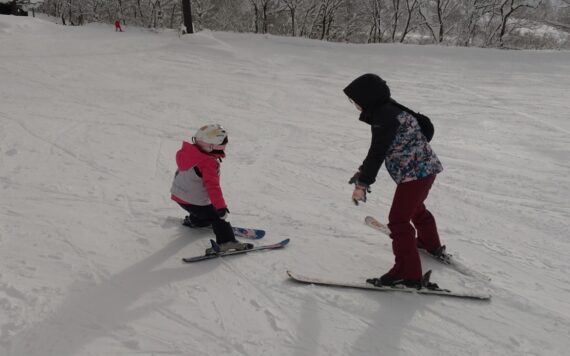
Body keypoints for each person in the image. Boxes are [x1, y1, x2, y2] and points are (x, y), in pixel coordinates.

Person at [343, 73, 445, 288]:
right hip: (427, 169)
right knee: (415, 209)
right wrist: (363, 172)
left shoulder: (384, 117)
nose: (356, 105)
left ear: (368, 98)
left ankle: (408, 274)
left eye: (356, 101)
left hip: (415, 175)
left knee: (398, 221)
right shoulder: (391, 109)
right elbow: (421, 130)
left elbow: (377, 152)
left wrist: (363, 183)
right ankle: (429, 243)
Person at [170, 124, 252, 255]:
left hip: (179, 195)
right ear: (211, 146)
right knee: (216, 217)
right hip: (194, 200)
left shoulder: (188, 152)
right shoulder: (208, 162)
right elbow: (213, 187)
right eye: (223, 145)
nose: (224, 148)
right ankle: (227, 242)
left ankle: (197, 220)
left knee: (202, 211)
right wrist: (220, 207)